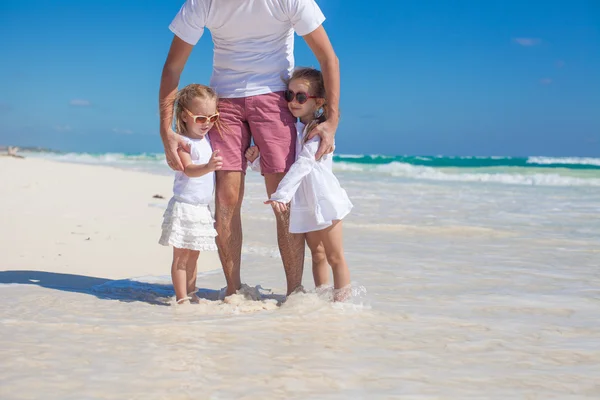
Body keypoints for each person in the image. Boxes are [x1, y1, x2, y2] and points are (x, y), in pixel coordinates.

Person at [159, 0, 341, 297]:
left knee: (282, 198)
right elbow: (173, 66)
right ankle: (234, 290)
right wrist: (165, 130)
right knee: (227, 199)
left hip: (273, 99)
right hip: (225, 103)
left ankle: (294, 292)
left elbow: (328, 58)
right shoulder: (201, 3)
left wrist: (332, 119)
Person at [263, 67, 353, 301]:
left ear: (319, 102)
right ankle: (321, 299)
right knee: (317, 254)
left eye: (301, 97)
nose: (293, 101)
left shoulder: (318, 132)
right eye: (289, 95)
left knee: (334, 256)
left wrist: (281, 194)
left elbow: (303, 164)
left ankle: (341, 304)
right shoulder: (292, 129)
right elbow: (286, 160)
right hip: (306, 201)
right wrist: (255, 159)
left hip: (325, 200)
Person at [159, 84, 223, 305]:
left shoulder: (206, 139)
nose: (207, 124)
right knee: (181, 257)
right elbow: (188, 169)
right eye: (200, 119)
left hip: (201, 209)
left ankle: (192, 291)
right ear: (185, 116)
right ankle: (181, 297)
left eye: (213, 117)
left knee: (195, 254)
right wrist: (208, 166)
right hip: (185, 207)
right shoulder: (183, 142)